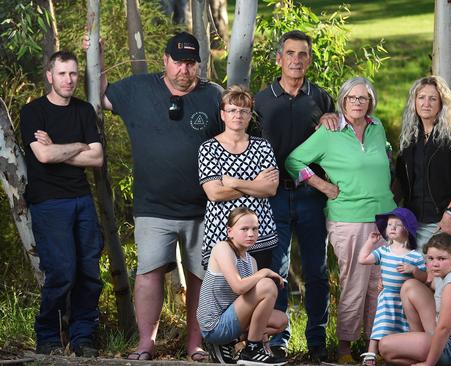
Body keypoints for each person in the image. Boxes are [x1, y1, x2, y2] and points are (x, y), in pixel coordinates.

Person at [89, 31, 224, 361]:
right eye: (178, 62)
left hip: (204, 209)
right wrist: (97, 55)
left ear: (198, 65)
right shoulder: (139, 88)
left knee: (201, 277)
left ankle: (196, 344)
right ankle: (145, 344)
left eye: (191, 63)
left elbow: (239, 128)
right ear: (165, 61)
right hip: (153, 207)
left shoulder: (214, 95)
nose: (184, 70)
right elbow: (102, 95)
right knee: (149, 274)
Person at [285, 76, 396, 362]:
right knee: (355, 282)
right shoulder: (330, 132)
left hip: (385, 218)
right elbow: (293, 161)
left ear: (371, 102)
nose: (357, 103)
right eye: (351, 98)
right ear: (343, 100)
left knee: (381, 285)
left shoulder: (377, 127)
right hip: (349, 218)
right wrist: (323, 186)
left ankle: (374, 348)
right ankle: (345, 347)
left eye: (363, 98)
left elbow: (383, 157)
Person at [253, 30, 334, 362]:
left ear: (309, 60)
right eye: (290, 54)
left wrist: (334, 120)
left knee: (317, 270)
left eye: (303, 55)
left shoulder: (323, 99)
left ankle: (317, 340)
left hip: (311, 197)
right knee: (277, 270)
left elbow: (335, 147)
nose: (296, 60)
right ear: (279, 59)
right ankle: (279, 339)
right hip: (273, 197)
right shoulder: (262, 99)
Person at [20, 50, 104, 357]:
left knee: (89, 272)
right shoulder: (33, 112)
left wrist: (59, 147)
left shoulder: (83, 111)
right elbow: (42, 156)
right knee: (62, 271)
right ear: (49, 76)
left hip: (81, 199)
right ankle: (49, 336)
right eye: (62, 74)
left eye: (73, 74)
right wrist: (78, 146)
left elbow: (96, 157)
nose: (69, 80)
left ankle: (83, 337)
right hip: (49, 202)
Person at [199, 85, 279, 272]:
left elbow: (270, 189)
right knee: (226, 293)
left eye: (244, 111)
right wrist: (255, 184)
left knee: (261, 291)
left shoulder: (263, 146)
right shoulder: (208, 148)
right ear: (222, 115)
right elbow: (215, 193)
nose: (238, 115)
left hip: (260, 234)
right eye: (232, 110)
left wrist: (235, 182)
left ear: (250, 116)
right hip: (222, 234)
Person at [378, 233, 451, 366]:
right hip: (449, 340)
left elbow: (444, 328)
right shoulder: (446, 273)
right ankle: (417, 341)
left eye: (441, 258)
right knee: (409, 286)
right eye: (430, 258)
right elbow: (428, 284)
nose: (435, 264)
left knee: (385, 347)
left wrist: (429, 363)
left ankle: (428, 359)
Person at [197, 207, 288, 365]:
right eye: (244, 229)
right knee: (266, 285)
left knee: (281, 320)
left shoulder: (251, 261)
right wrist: (265, 271)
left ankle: (246, 345)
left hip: (232, 320)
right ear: (230, 231)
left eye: (255, 229)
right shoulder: (222, 248)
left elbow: (254, 308)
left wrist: (266, 346)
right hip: (213, 325)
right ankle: (251, 350)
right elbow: (238, 287)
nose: (251, 234)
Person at [395, 76, 451, 247]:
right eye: (421, 97)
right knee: (416, 273)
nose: (426, 103)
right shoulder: (410, 136)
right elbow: (402, 180)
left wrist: (449, 214)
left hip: (443, 220)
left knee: (440, 273)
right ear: (414, 102)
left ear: (442, 103)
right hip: (414, 222)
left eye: (433, 98)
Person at [357, 207, 426, 366]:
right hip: (387, 296)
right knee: (381, 324)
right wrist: (370, 242)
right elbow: (363, 259)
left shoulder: (415, 256)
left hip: (406, 300)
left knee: (404, 326)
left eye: (398, 225)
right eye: (389, 225)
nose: (392, 227)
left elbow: (426, 278)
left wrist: (414, 270)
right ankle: (371, 353)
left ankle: (402, 352)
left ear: (407, 230)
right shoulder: (383, 251)